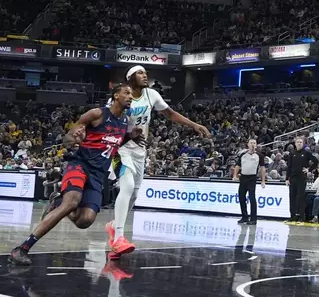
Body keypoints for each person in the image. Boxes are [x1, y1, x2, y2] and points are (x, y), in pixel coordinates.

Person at [9, 84, 138, 265]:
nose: (130, 96)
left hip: (98, 174)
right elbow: (67, 138)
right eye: (127, 93)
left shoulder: (125, 122)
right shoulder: (97, 114)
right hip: (80, 164)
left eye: (131, 94)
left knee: (85, 220)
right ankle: (22, 249)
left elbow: (114, 143)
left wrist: (130, 137)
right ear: (116, 96)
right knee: (73, 201)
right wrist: (73, 139)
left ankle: (57, 201)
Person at [105, 65, 210, 259]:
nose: (145, 76)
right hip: (119, 149)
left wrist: (194, 125)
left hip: (139, 151)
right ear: (130, 78)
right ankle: (119, 237)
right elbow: (108, 125)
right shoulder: (118, 97)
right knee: (126, 187)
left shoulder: (151, 94)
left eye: (145, 73)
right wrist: (127, 135)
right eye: (140, 73)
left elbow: (169, 113)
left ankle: (114, 227)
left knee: (134, 194)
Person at [233, 138, 266, 225]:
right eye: (251, 143)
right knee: (241, 197)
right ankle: (244, 217)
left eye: (254, 143)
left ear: (256, 145)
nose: (252, 144)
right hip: (243, 178)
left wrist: (263, 180)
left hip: (252, 178)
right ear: (248, 144)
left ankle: (253, 218)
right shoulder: (243, 154)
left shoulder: (259, 155)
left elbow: (262, 168)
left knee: (252, 198)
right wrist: (234, 175)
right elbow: (237, 166)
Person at [286, 136, 318, 224]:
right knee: (292, 197)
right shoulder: (292, 153)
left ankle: (301, 217)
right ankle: (292, 216)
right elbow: (289, 167)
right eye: (298, 142)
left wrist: (309, 169)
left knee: (300, 197)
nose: (299, 143)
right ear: (295, 143)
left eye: (301, 142)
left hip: (301, 178)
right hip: (292, 178)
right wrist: (286, 178)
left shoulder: (306, 153)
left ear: (303, 144)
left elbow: (315, 161)